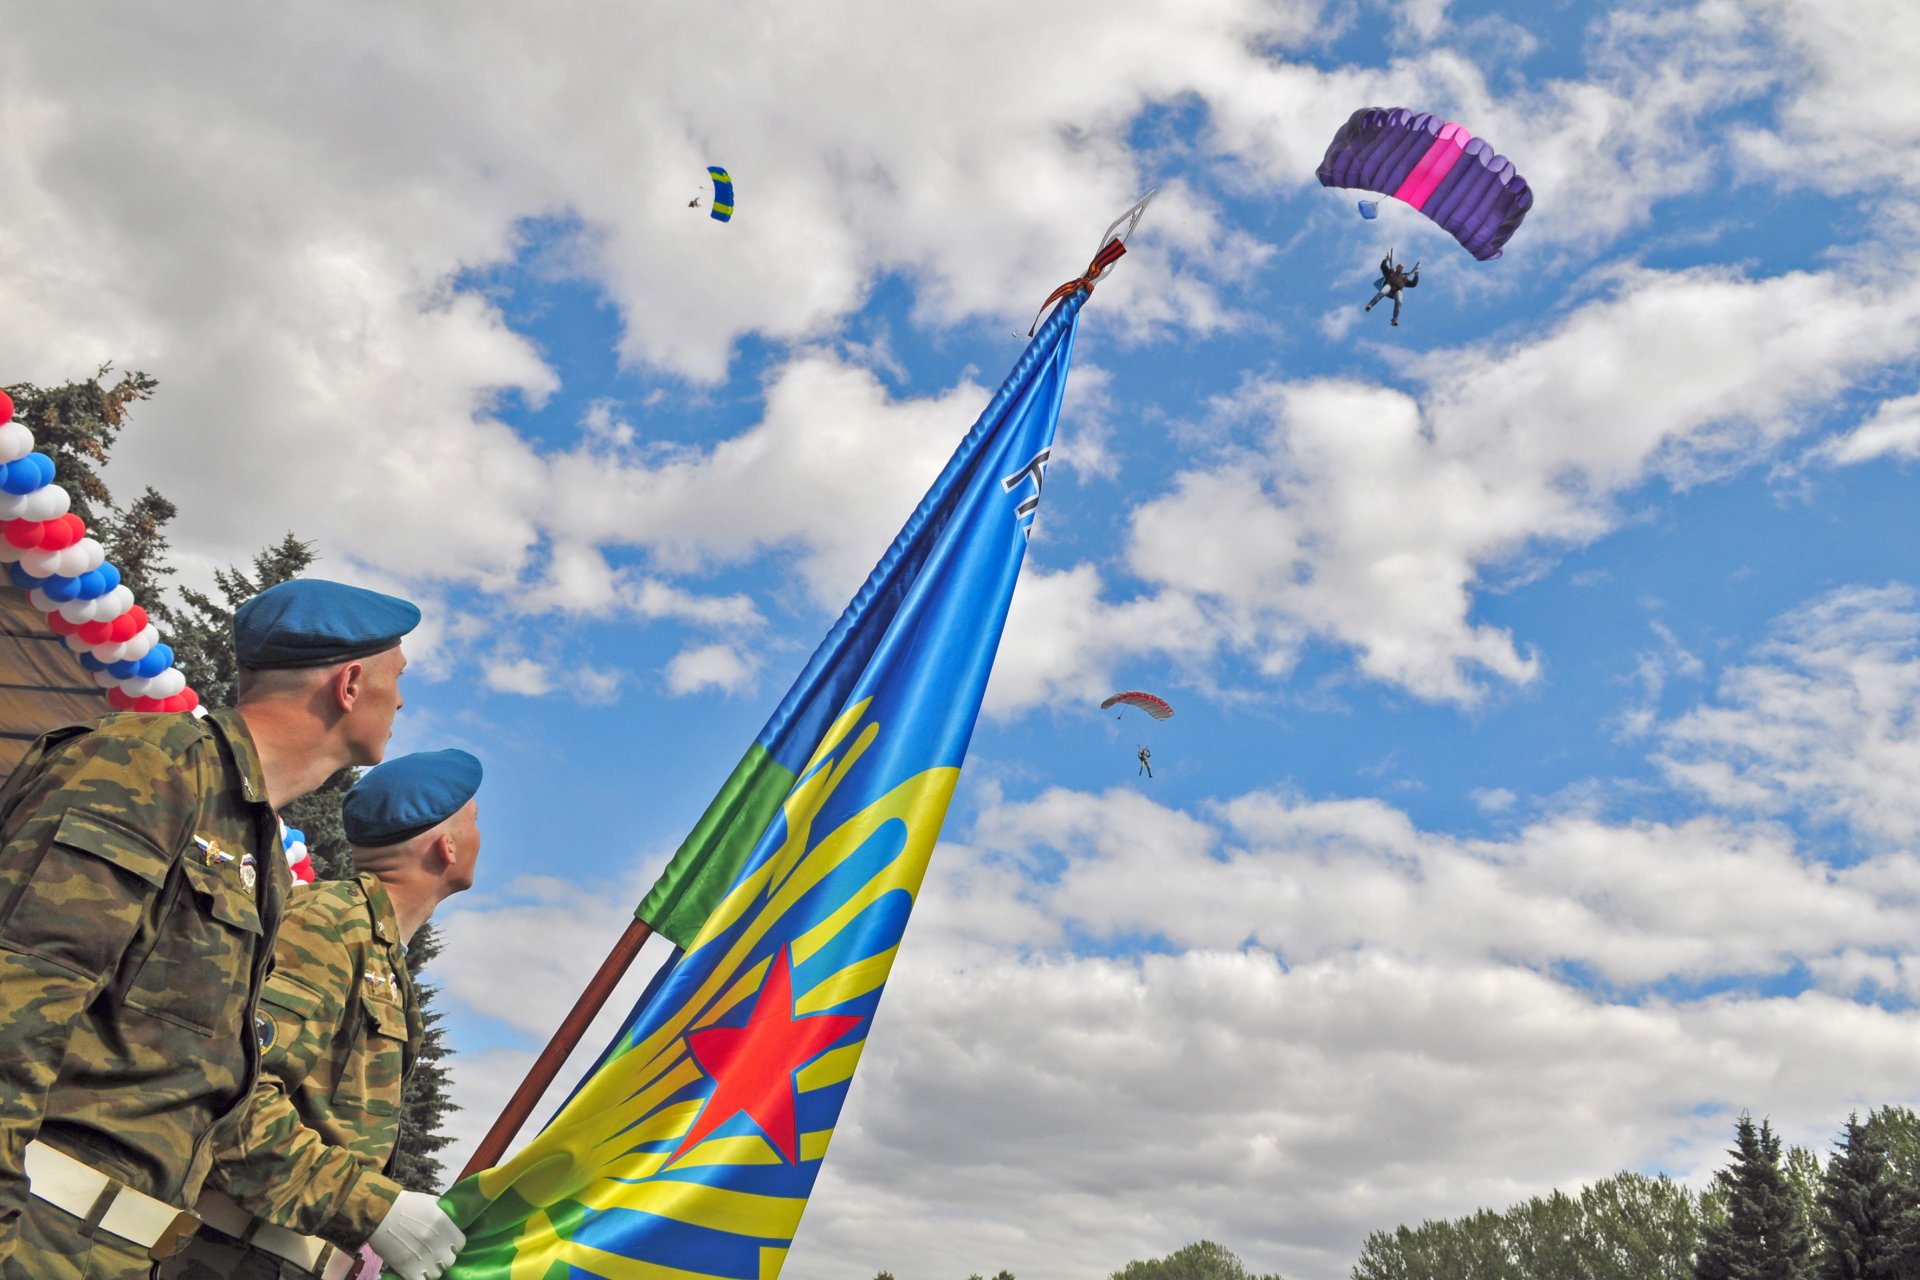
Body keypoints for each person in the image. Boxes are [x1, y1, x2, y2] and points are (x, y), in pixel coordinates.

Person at [0, 578, 419, 1280]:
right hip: (34, 1236)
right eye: (396, 679)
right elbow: (18, 999)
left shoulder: (255, 847)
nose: (401, 701)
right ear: (349, 684)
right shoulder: (151, 764)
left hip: (111, 1253)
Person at [162, 750, 482, 1280]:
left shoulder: (373, 947)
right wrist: (372, 1208)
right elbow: (228, 1093)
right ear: (446, 846)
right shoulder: (328, 925)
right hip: (227, 1256)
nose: (479, 837)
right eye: (474, 822)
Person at [1365, 253, 1419, 326]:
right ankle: (1370, 305)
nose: (1400, 267)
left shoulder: (1404, 279)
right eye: (1399, 266)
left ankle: (1395, 319)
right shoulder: (1390, 272)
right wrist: (1386, 259)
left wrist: (1416, 275)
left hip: (1397, 291)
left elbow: (1413, 284)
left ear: (1403, 269)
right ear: (1396, 267)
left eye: (1402, 267)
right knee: (1382, 292)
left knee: (1399, 301)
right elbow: (1383, 266)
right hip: (1389, 286)